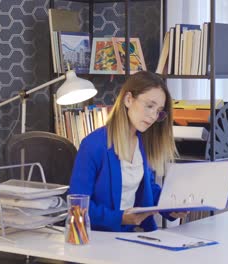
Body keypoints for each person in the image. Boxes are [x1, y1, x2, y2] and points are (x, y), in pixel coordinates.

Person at [69, 71, 186, 232]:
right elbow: (77, 206)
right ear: (128, 99)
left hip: (134, 235)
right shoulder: (93, 145)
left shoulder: (143, 143)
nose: (153, 116)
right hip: (101, 238)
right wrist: (120, 218)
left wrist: (171, 208)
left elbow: (148, 189)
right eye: (149, 106)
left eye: (158, 111)